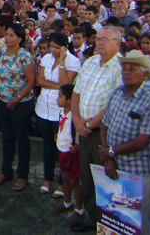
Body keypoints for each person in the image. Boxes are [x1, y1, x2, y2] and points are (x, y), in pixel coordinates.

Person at [99, 50, 150, 235]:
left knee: (138, 222)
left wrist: (110, 152)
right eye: (125, 69)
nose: (126, 72)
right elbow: (105, 125)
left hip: (137, 170)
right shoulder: (117, 92)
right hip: (113, 166)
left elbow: (143, 141)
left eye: (132, 69)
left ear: (144, 74)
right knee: (115, 219)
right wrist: (107, 157)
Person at [70, 26, 123, 232]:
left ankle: (109, 222)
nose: (99, 43)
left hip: (102, 133)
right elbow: (77, 93)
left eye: (105, 39)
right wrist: (76, 119)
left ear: (117, 43)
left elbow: (113, 104)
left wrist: (90, 124)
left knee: (105, 177)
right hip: (83, 128)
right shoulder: (90, 62)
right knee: (87, 176)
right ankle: (93, 219)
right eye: (98, 39)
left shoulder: (120, 68)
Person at [0, 23, 36, 192]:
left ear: (19, 38)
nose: (7, 38)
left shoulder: (25, 55)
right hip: (3, 100)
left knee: (21, 138)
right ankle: (6, 171)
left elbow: (31, 81)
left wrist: (17, 99)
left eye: (11, 35)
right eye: (6, 35)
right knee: (7, 137)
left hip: (21, 103)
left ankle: (23, 175)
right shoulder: (1, 52)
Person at [36, 32, 81, 196]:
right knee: (47, 145)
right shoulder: (46, 58)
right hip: (43, 107)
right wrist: (56, 86)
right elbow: (39, 81)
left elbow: (66, 85)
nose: (53, 50)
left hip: (60, 111)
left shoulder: (73, 61)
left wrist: (61, 62)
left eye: (57, 47)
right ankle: (48, 178)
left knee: (61, 148)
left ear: (64, 47)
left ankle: (63, 182)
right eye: (52, 47)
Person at [53, 84, 84, 224]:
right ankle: (67, 202)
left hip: (71, 151)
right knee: (65, 176)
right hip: (62, 148)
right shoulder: (62, 112)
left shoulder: (74, 115)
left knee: (75, 181)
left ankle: (79, 208)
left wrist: (77, 145)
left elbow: (77, 131)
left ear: (70, 100)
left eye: (61, 96)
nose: (57, 99)